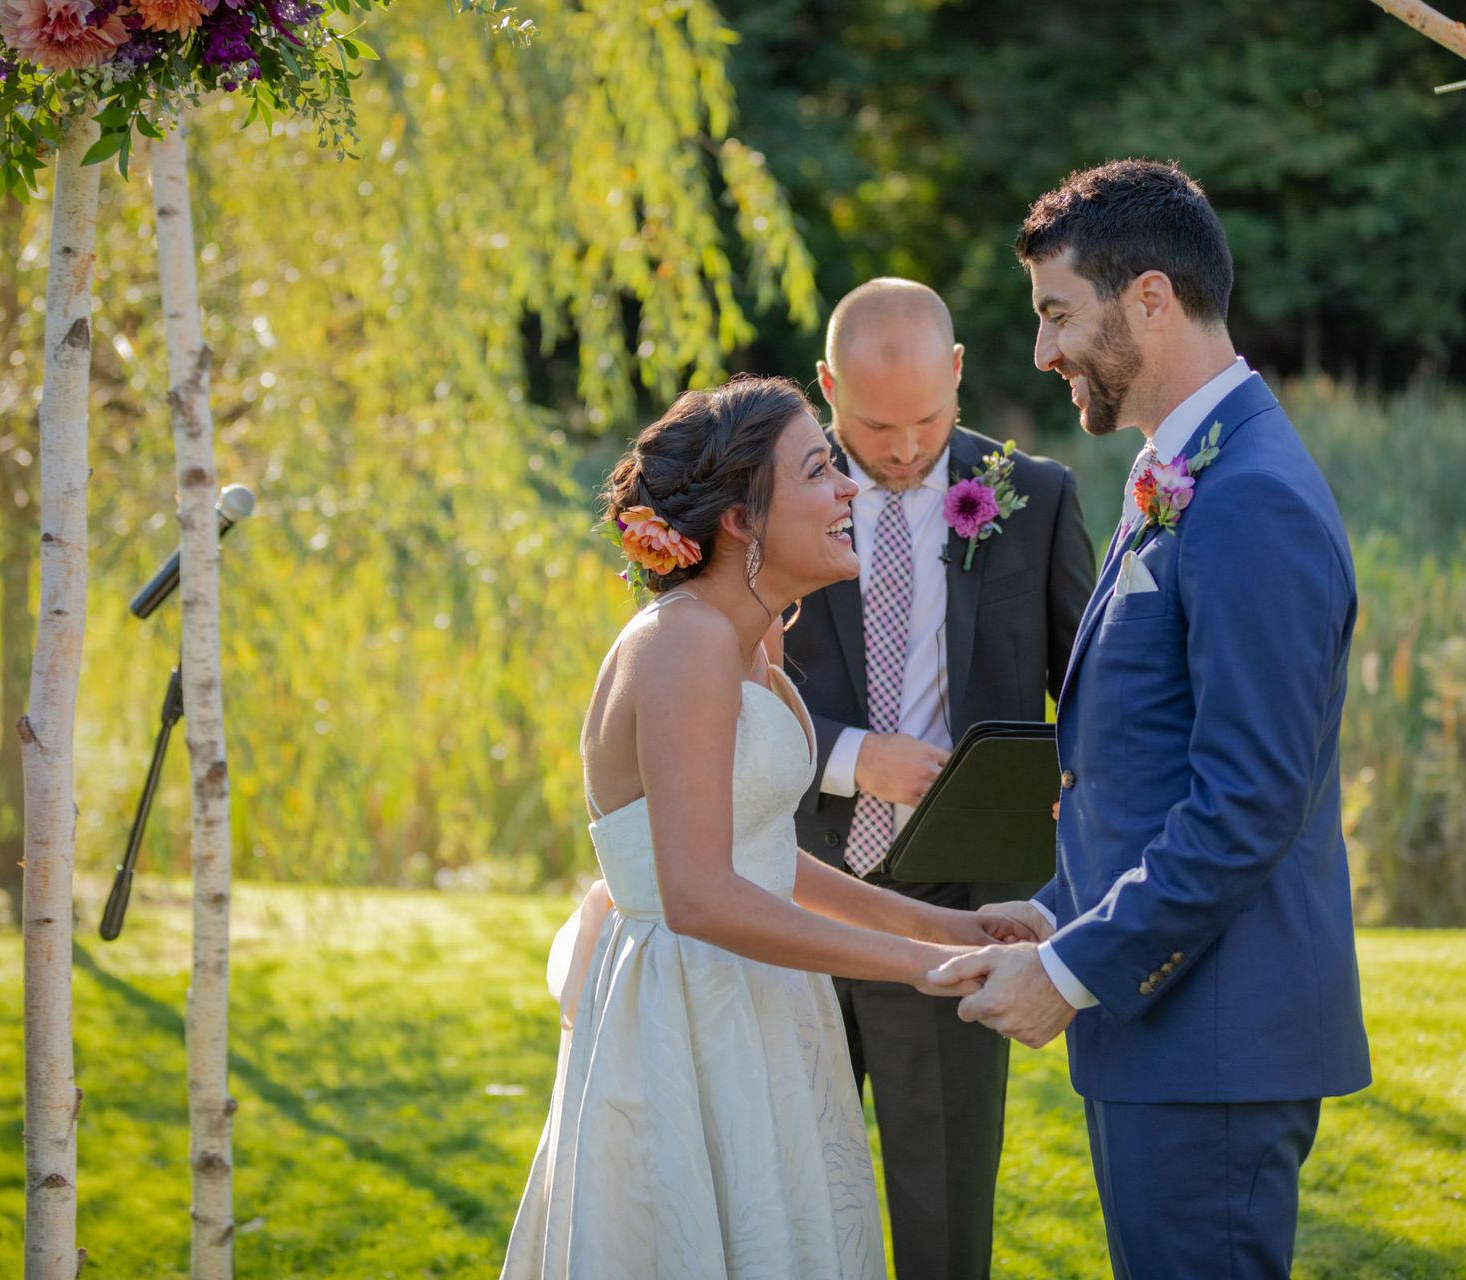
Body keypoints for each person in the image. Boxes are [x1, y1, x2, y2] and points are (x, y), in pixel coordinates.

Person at [937, 160, 1372, 1279]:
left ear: (1149, 299)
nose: (1040, 352)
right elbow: (1153, 758)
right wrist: (1054, 909)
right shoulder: (1180, 472)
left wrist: (1077, 967)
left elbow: (1247, 803)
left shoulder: (1251, 496)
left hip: (1212, 1047)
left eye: (1055, 313)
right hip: (1168, 1037)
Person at [500, 375, 1036, 1280]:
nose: (850, 491)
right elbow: (702, 897)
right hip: (687, 1010)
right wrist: (922, 969)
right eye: (821, 471)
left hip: (762, 998)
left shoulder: (752, 640)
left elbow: (758, 853)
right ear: (744, 516)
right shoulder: (683, 643)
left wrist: (938, 924)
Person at [784, 277, 1095, 1279]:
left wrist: (1061, 812)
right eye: (874, 423)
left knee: (945, 1215)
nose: (906, 446)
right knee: (778, 1199)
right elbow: (718, 690)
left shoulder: (1034, 499)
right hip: (783, 890)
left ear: (958, 372)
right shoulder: (766, 498)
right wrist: (848, 754)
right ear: (826, 384)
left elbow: (1092, 694)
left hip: (955, 906)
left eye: (927, 416)